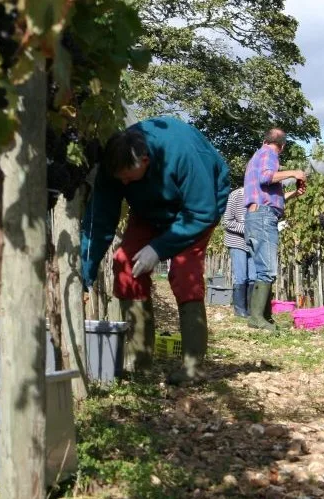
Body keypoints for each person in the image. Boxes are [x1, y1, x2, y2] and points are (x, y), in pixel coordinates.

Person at [81, 117, 230, 384]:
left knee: (184, 274)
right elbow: (100, 219)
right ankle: (140, 360)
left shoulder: (185, 155)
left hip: (197, 211)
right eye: (119, 179)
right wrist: (85, 272)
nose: (124, 183)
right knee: (125, 263)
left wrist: (158, 248)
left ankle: (193, 366)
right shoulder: (114, 164)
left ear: (145, 161)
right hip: (149, 209)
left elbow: (202, 212)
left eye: (128, 177)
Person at [243, 128, 307, 331]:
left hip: (256, 215)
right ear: (283, 146)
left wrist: (293, 194)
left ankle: (263, 317)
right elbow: (266, 177)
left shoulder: (256, 157)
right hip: (263, 217)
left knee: (262, 269)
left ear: (265, 139)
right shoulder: (269, 153)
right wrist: (294, 172)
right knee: (267, 270)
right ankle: (257, 318)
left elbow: (268, 196)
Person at [223, 186, 255, 317]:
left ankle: (252, 309)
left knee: (254, 276)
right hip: (237, 241)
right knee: (241, 276)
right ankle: (240, 309)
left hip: (253, 242)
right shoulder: (236, 195)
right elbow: (227, 221)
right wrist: (247, 228)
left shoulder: (260, 196)